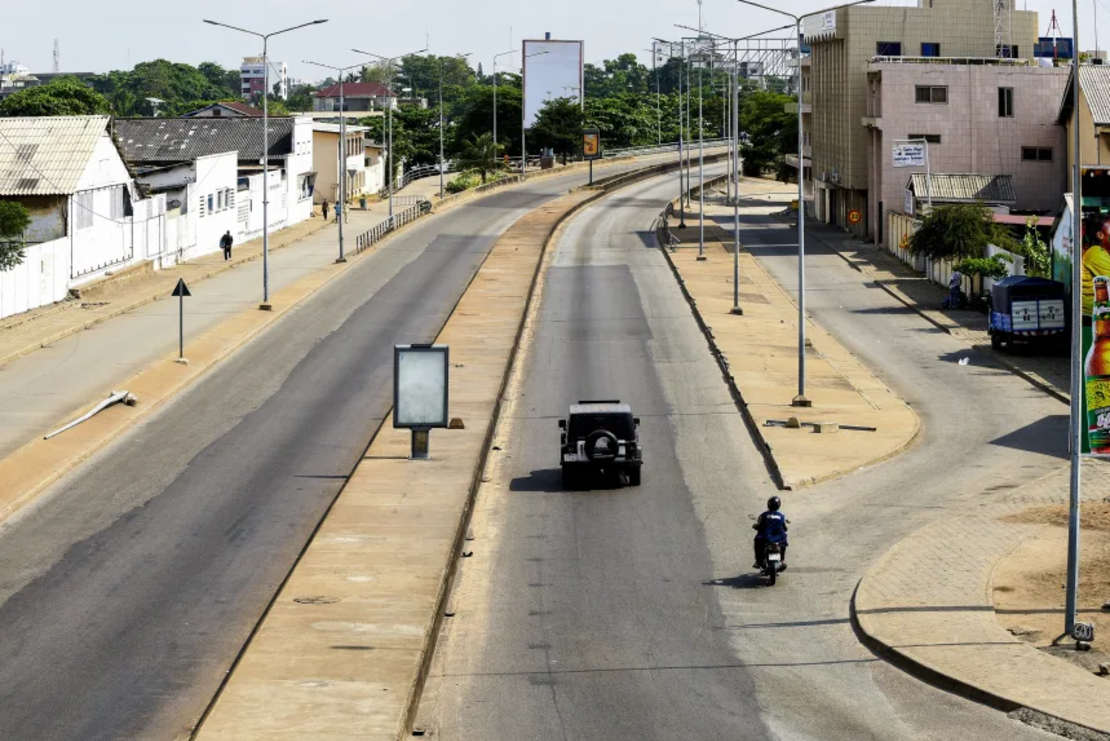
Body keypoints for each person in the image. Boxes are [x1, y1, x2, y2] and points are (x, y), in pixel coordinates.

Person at [753, 496, 788, 570]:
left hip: (766, 537)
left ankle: (758, 561)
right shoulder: (781, 516)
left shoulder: (764, 515)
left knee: (757, 541)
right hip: (779, 537)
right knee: (783, 543)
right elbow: (785, 528)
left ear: (769, 504)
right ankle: (782, 560)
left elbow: (759, 524)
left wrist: (756, 526)